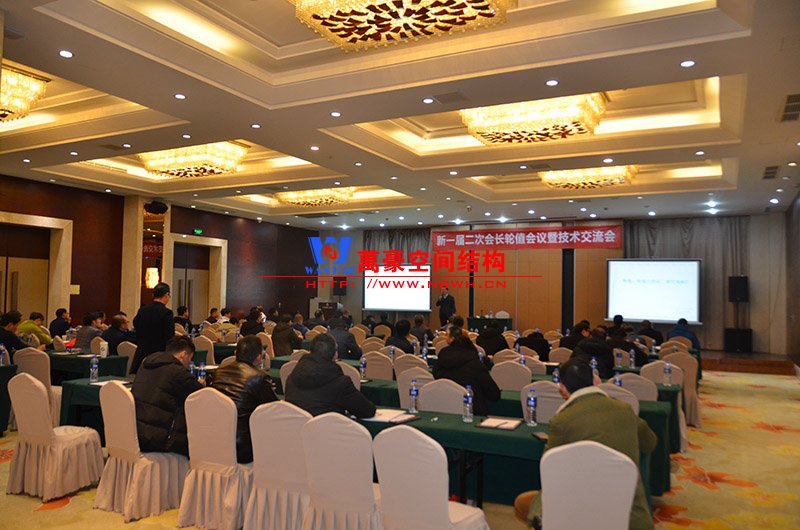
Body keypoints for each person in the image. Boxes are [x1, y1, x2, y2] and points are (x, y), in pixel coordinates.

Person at [515, 357, 657, 530]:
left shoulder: (561, 421)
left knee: (524, 502)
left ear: (563, 389)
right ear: (595, 381)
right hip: (630, 515)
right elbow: (650, 443)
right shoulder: (625, 410)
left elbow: (550, 469)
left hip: (577, 512)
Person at [131, 336, 204, 457]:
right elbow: (201, 395)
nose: (188, 364)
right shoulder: (178, 372)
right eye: (190, 359)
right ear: (183, 354)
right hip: (159, 439)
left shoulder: (146, 364)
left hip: (135, 433)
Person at [211, 335, 279, 463]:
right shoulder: (258, 377)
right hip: (242, 445)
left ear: (236, 353)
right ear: (259, 357)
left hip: (216, 436)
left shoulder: (219, 372)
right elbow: (274, 409)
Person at [285, 333, 376, 418]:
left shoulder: (291, 379)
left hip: (297, 429)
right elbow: (368, 411)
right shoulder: (341, 383)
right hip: (328, 429)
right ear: (335, 355)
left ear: (310, 352)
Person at [433, 327, 500, 416]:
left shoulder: (440, 364)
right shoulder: (475, 365)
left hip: (442, 411)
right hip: (472, 414)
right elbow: (494, 394)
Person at [131, 283, 174, 374]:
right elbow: (169, 337)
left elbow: (135, 325)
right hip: (158, 356)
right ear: (166, 295)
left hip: (141, 354)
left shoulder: (142, 310)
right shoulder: (166, 313)